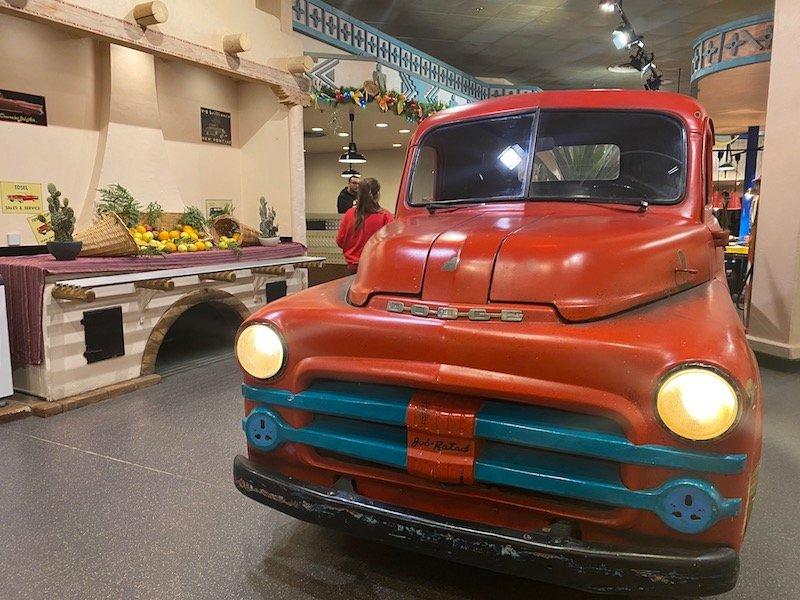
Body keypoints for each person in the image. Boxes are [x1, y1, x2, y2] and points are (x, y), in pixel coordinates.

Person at [336, 178, 393, 273]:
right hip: (375, 267)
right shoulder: (385, 216)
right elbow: (390, 243)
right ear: (377, 194)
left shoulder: (349, 214)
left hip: (353, 268)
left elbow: (340, 240)